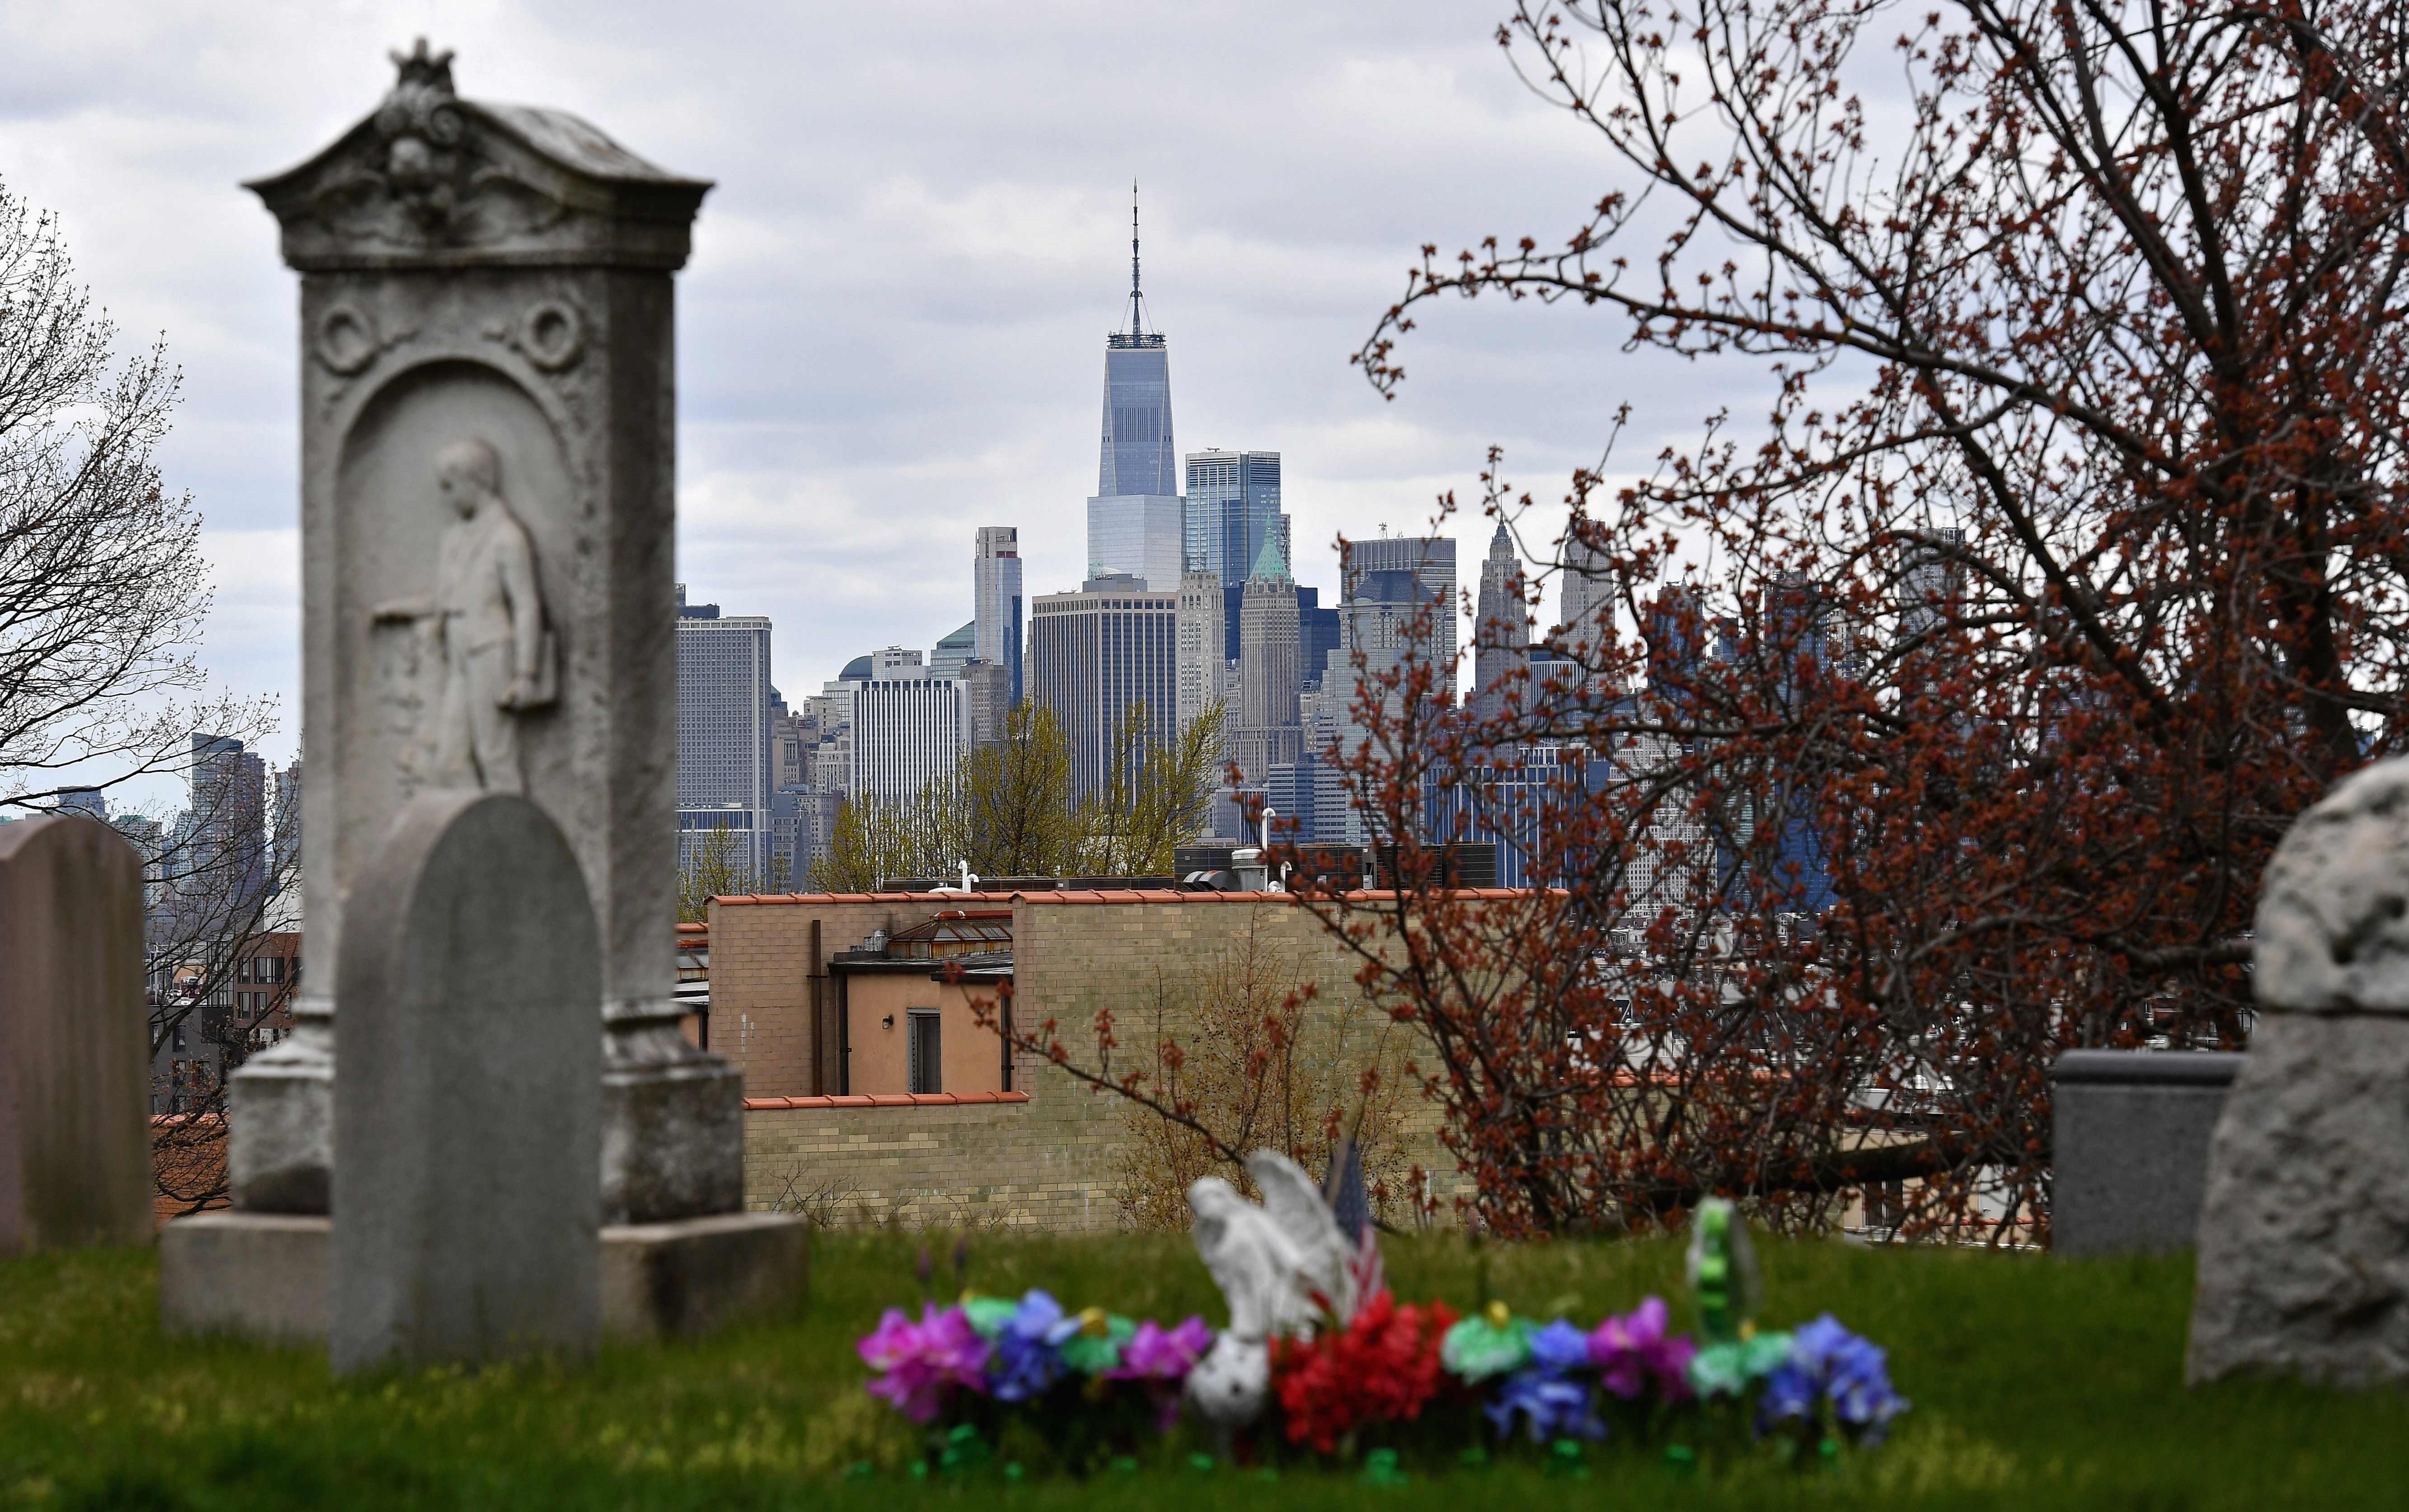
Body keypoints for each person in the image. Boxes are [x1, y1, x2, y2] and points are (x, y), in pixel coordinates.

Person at [376, 437, 551, 793]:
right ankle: (478, 840)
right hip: (457, 658)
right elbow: (444, 601)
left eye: (449, 486)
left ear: (476, 481)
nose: (446, 497)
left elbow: (527, 604)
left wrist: (526, 673)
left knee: (495, 758)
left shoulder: (507, 536)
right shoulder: (454, 538)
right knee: (450, 761)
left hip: (491, 653)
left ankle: (516, 843)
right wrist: (396, 610)